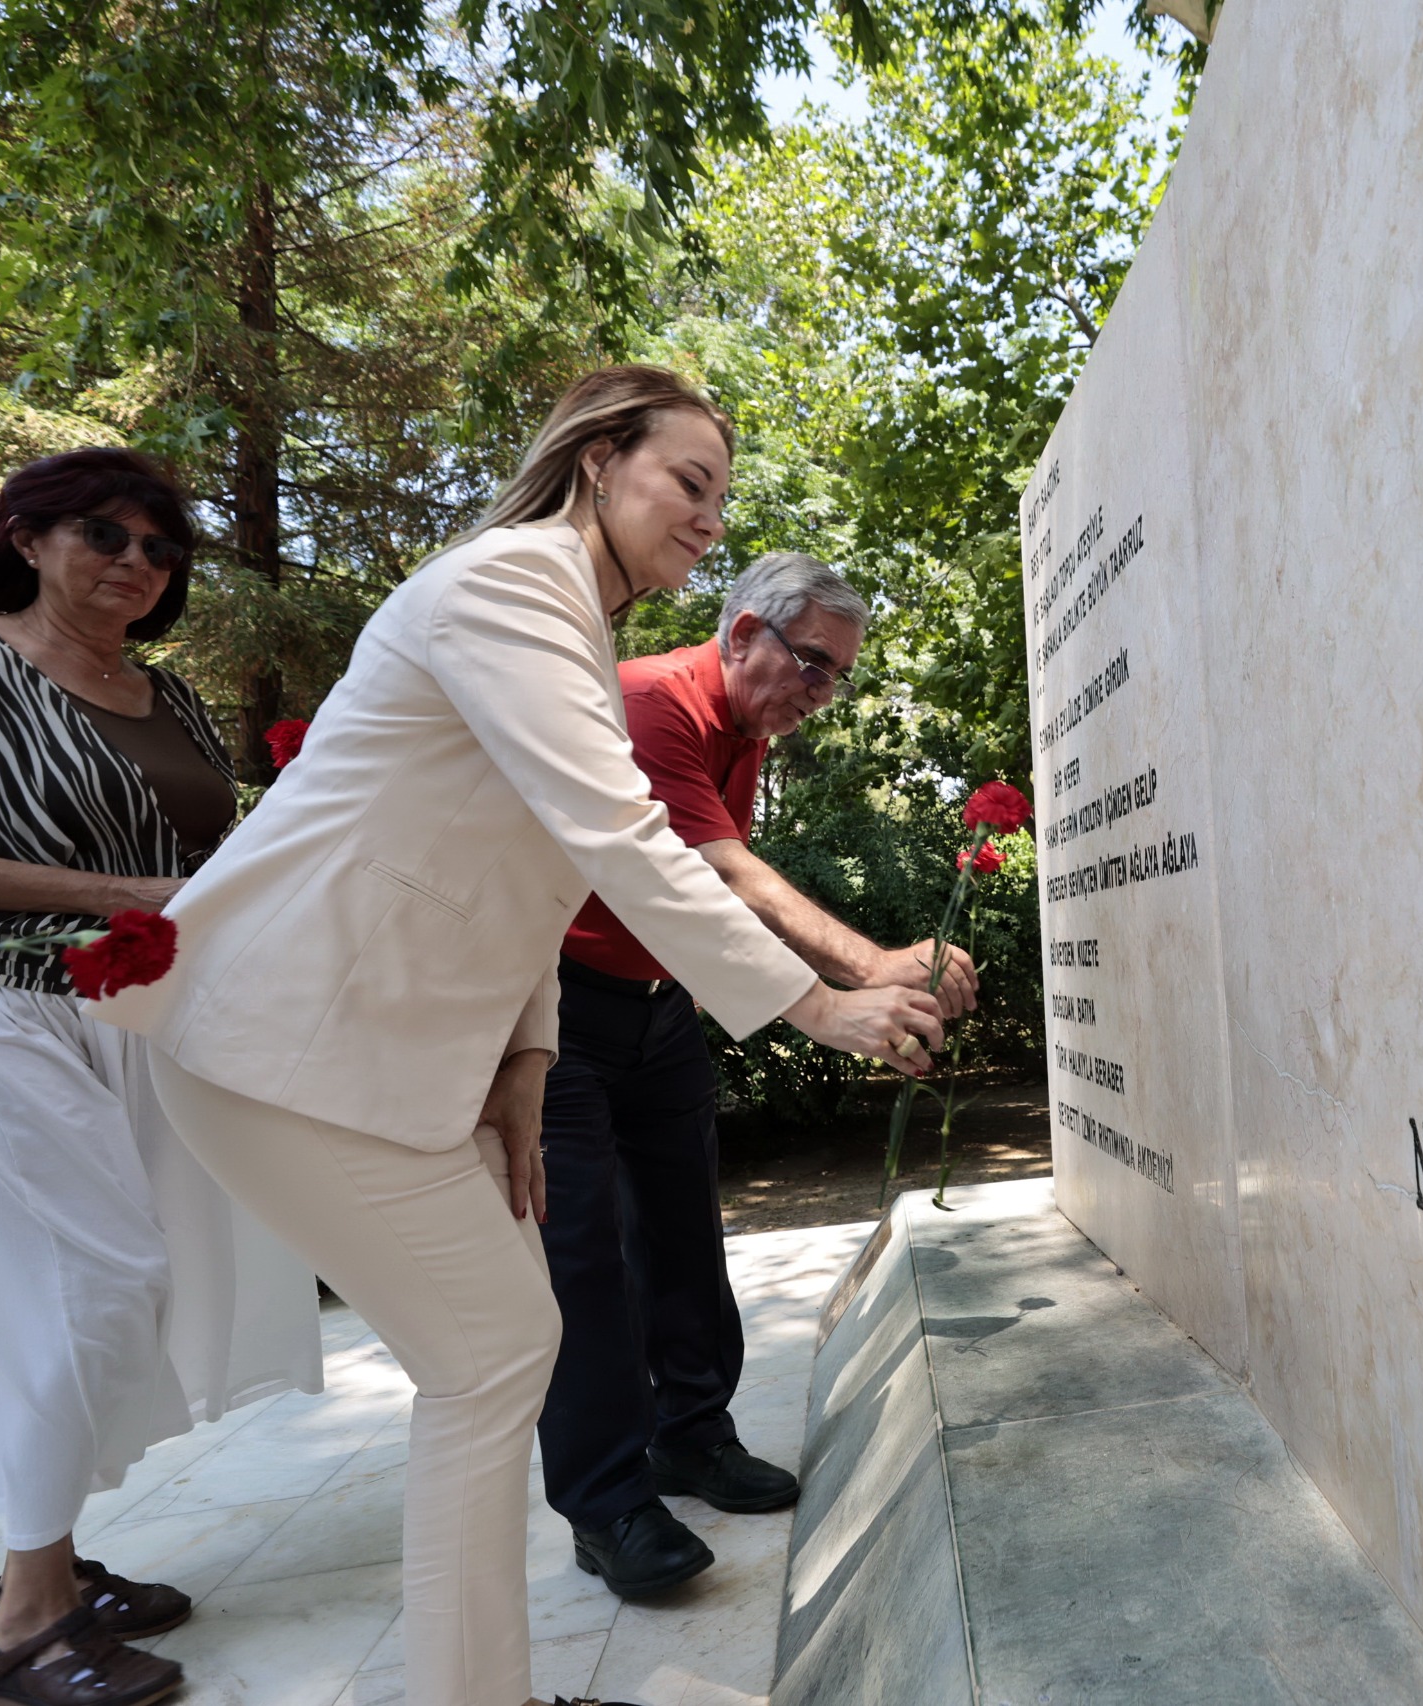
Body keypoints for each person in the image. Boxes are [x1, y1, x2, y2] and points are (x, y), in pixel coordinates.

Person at [93, 366, 945, 1706]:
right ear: (601, 459)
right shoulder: (506, 584)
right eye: (691, 481)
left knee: (493, 1354)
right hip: (278, 1037)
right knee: (497, 1349)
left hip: (382, 1054)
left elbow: (549, 863)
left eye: (723, 496)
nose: (710, 518)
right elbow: (621, 835)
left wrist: (525, 1056)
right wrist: (818, 1002)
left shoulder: (560, 618)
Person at [0, 447, 321, 1706]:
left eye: (162, 550)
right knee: (86, 1285)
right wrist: (112, 891)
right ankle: (21, 1637)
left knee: (129, 1295)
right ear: (30, 536)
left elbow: (217, 860)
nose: (137, 565)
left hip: (130, 1018)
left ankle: (46, 1559)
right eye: (106, 534)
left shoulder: (171, 699)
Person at [537, 551, 980, 1596]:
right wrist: (868, 965)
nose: (820, 695)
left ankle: (691, 1436)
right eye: (812, 666)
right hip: (554, 1013)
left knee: (685, 1230)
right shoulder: (648, 702)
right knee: (582, 1257)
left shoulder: (741, 730)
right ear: (742, 632)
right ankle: (608, 1508)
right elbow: (721, 869)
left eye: (836, 678)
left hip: (658, 1009)